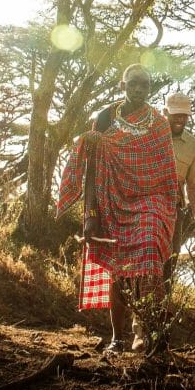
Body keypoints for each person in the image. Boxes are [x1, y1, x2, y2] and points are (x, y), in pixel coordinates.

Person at [57, 64, 180, 354]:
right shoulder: (103, 118)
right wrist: (90, 216)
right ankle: (118, 337)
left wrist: (170, 211)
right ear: (122, 86)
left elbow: (167, 175)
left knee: (150, 252)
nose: (139, 90)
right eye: (134, 84)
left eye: (145, 85)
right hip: (111, 202)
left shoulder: (160, 124)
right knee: (118, 271)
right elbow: (91, 171)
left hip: (152, 202)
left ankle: (150, 331)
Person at [162, 91, 195, 290]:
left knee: (170, 259)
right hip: (143, 207)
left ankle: (160, 310)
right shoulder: (149, 135)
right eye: (176, 115)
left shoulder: (192, 146)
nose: (180, 119)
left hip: (172, 211)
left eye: (184, 115)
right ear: (165, 112)